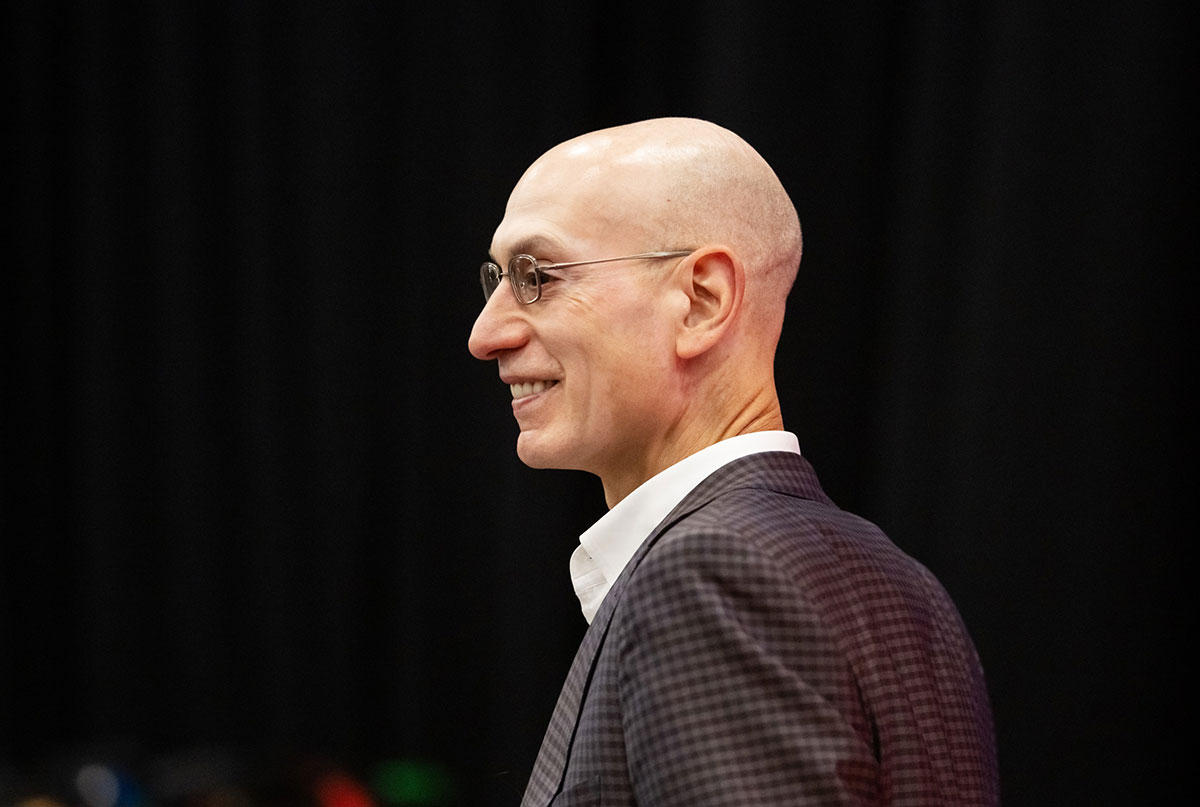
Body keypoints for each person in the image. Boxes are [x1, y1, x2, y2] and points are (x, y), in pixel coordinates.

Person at [468, 118, 999, 806]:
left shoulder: (705, 576)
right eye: (497, 279)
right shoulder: (904, 583)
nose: (487, 333)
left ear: (701, 301)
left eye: (537, 275)